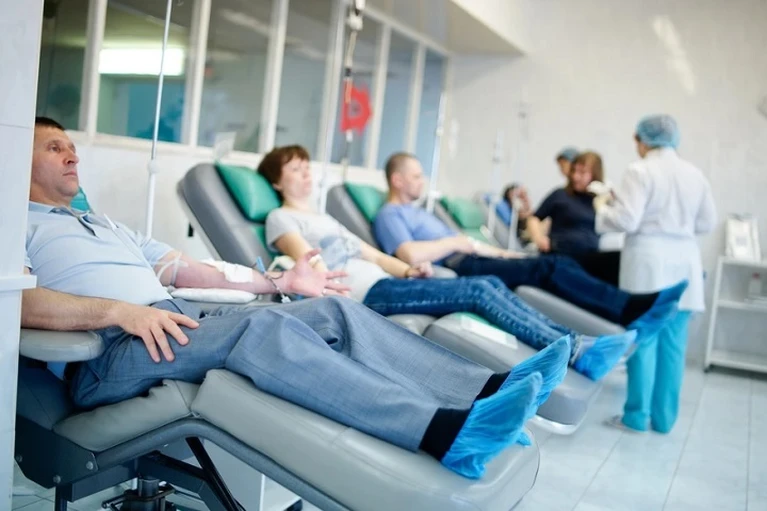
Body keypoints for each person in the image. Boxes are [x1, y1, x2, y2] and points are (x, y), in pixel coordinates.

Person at [22, 116, 573, 480]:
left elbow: (189, 270)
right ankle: (443, 433)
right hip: (110, 352)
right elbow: (17, 304)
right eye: (55, 147)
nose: (73, 156)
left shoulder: (106, 225)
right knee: (268, 329)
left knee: (334, 311)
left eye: (73, 146)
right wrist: (117, 312)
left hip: (175, 322)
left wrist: (278, 285)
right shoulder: (15, 225)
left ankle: (486, 390)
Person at [258, 145, 636, 381]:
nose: (306, 173)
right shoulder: (281, 217)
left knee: (489, 284)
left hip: (385, 282)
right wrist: (338, 291)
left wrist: (409, 271)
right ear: (277, 182)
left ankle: (575, 344)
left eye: (306, 166)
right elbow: (309, 264)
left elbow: (375, 255)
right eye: (295, 169)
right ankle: (575, 351)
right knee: (478, 289)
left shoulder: (325, 218)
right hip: (362, 293)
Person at [372, 152, 688, 341]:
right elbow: (408, 254)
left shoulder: (419, 212)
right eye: (416, 176)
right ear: (397, 180)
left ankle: (624, 307)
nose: (423, 180)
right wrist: (457, 241)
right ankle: (626, 309)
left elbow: (470, 245)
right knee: (552, 266)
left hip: (472, 257)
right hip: (460, 266)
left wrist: (505, 254)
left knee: (559, 265)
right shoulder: (390, 214)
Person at [595, 115, 717, 434]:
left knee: (644, 341)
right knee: (674, 348)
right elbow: (707, 223)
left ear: (642, 140)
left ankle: (636, 417)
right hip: (685, 263)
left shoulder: (640, 170)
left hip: (648, 263)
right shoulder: (695, 173)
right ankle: (664, 421)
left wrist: (603, 209)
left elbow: (627, 220)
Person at [527, 151, 622, 285]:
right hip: (559, 255)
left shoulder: (602, 202)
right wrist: (539, 238)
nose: (576, 177)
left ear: (595, 174)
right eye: (574, 171)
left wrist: (609, 198)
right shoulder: (560, 195)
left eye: (582, 173)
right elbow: (534, 218)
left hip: (590, 260)